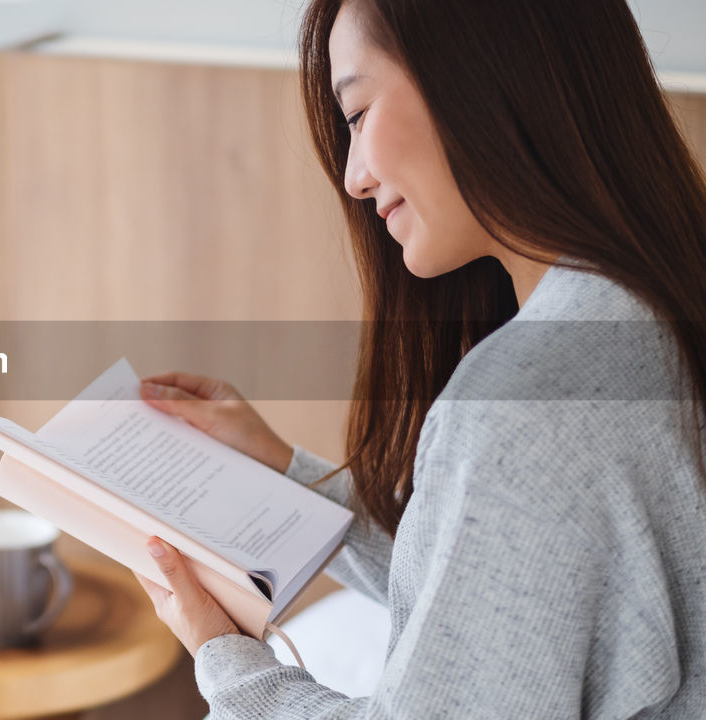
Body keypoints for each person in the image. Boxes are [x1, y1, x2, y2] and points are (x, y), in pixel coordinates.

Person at [130, 0, 706, 717]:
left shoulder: (523, 401)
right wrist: (285, 471)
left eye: (359, 114)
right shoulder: (652, 306)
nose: (354, 178)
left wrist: (228, 661)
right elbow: (489, 594)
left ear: (484, 77)